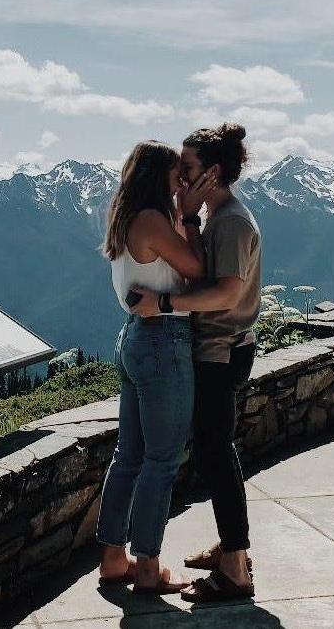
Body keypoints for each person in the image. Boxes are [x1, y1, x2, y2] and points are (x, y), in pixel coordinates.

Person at [132, 123, 261, 603]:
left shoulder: (231, 223)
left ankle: (235, 569)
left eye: (187, 167)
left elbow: (226, 294)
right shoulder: (218, 217)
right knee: (214, 451)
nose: (180, 176)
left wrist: (163, 306)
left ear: (214, 171)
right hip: (218, 348)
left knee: (215, 453)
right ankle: (232, 548)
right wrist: (188, 219)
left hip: (220, 351)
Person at [96, 140, 217, 594]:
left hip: (135, 337)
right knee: (162, 459)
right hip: (163, 339)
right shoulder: (152, 219)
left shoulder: (127, 217)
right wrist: (190, 216)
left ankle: (114, 559)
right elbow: (196, 269)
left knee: (128, 455)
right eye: (176, 175)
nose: (182, 182)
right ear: (158, 177)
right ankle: (148, 567)